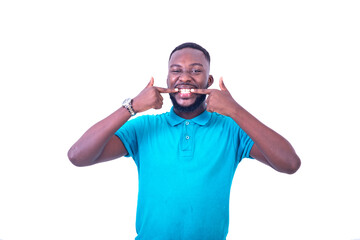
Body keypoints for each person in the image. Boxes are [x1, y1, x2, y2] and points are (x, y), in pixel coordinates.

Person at [68, 42, 301, 240]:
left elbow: (289, 163)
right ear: (168, 79)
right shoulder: (144, 128)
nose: (185, 78)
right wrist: (132, 107)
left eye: (196, 71)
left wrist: (235, 110)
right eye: (176, 70)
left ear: (208, 79)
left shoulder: (232, 129)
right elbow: (78, 156)